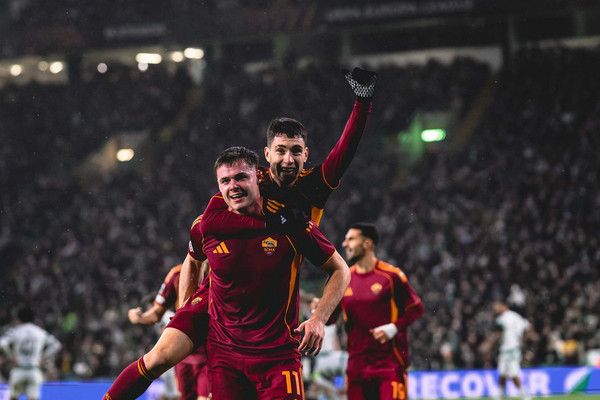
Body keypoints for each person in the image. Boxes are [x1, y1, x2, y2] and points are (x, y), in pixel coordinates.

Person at [104, 146, 351, 400]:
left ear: (258, 177)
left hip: (274, 350)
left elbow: (340, 270)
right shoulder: (206, 225)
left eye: (241, 177)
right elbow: (192, 261)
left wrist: (318, 319)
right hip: (223, 343)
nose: (233, 186)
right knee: (157, 358)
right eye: (225, 181)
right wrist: (186, 308)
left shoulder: (290, 223)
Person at [315, 222, 424, 400]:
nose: (344, 244)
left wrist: (394, 328)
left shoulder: (391, 276)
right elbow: (331, 320)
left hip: (389, 365)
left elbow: (416, 308)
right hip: (356, 367)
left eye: (351, 239)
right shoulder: (344, 279)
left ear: (367, 243)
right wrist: (320, 309)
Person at [127, 262, 210, 400]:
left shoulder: (223, 271)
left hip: (210, 352)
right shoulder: (177, 275)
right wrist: (139, 318)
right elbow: (156, 313)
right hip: (183, 353)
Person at [0, 306, 62, 400]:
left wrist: (11, 356)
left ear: (19, 319)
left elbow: (2, 343)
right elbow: (56, 345)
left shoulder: (16, 331)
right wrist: (42, 357)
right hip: (34, 370)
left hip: (19, 369)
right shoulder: (39, 332)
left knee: (13, 397)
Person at [491, 300, 531, 400]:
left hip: (511, 350)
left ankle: (524, 395)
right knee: (502, 373)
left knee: (513, 373)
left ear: (503, 305)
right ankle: (500, 395)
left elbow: (498, 333)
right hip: (509, 349)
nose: (495, 310)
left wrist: (490, 345)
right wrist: (522, 341)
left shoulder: (501, 319)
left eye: (497, 307)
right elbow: (528, 327)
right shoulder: (515, 316)